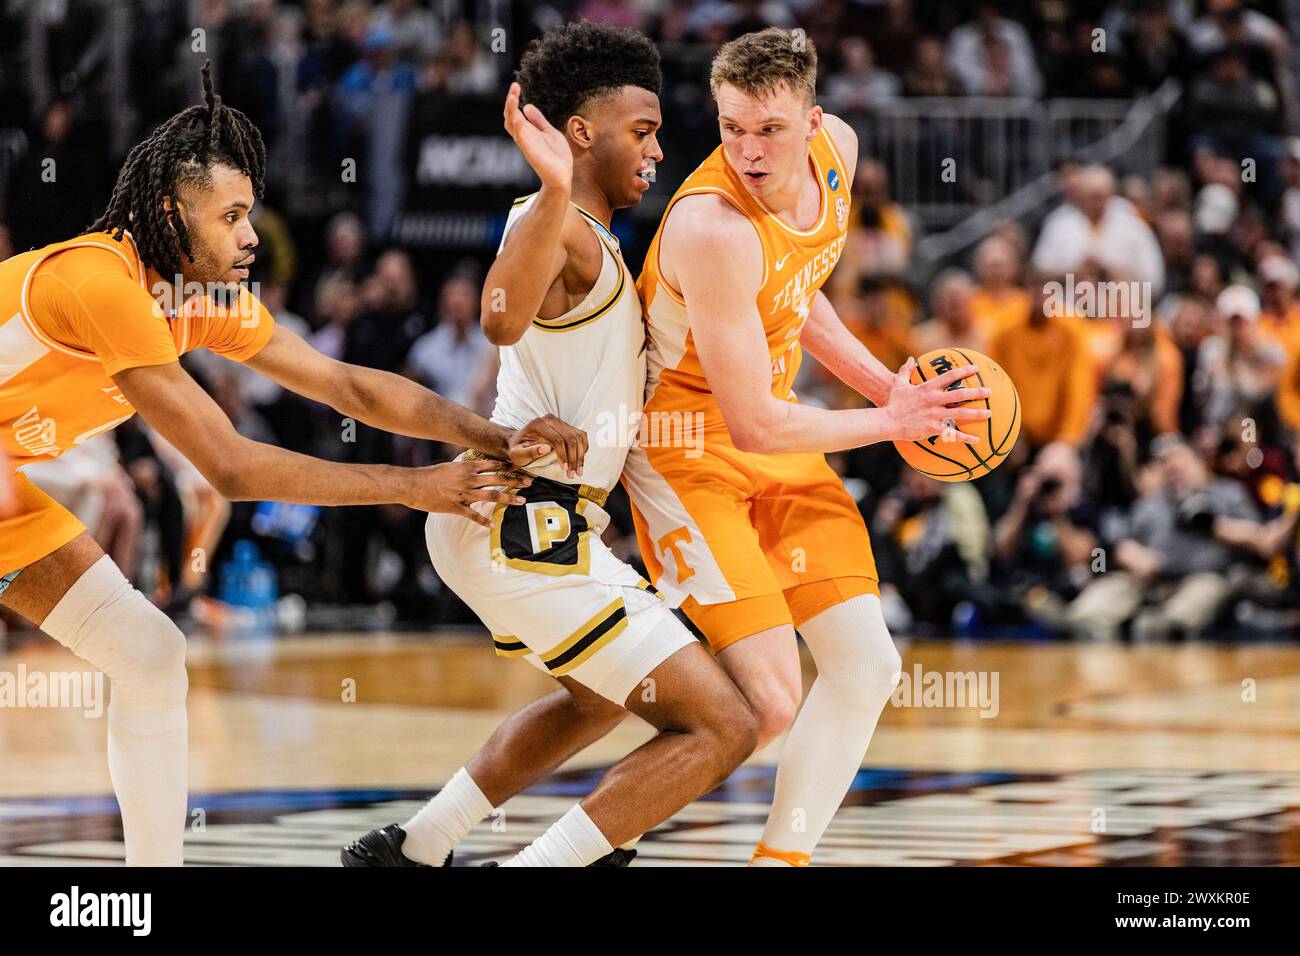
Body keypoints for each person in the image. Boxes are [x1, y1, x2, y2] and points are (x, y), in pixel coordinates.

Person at [0, 63, 582, 866]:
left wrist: (492, 436)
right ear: (173, 214)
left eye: (252, 213)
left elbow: (347, 387)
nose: (250, 236)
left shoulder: (199, 304)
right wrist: (418, 488)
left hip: (7, 488)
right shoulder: (101, 284)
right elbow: (230, 466)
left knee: (149, 655)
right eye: (232, 215)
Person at [341, 23, 757, 869]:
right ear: (579, 133)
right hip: (522, 523)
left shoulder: (586, 234)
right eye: (640, 130)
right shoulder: (554, 219)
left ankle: (415, 849)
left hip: (521, 516)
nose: (655, 148)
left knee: (597, 701)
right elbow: (500, 318)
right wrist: (554, 187)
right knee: (724, 724)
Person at [620, 27, 987, 866]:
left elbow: (799, 291)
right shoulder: (712, 227)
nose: (749, 150)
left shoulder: (841, 155)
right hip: (689, 452)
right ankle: (589, 836)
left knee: (866, 669)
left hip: (776, 435)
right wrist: (895, 422)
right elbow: (751, 423)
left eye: (770, 130)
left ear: (815, 122)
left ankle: (779, 862)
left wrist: (885, 387)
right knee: (769, 705)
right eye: (730, 128)